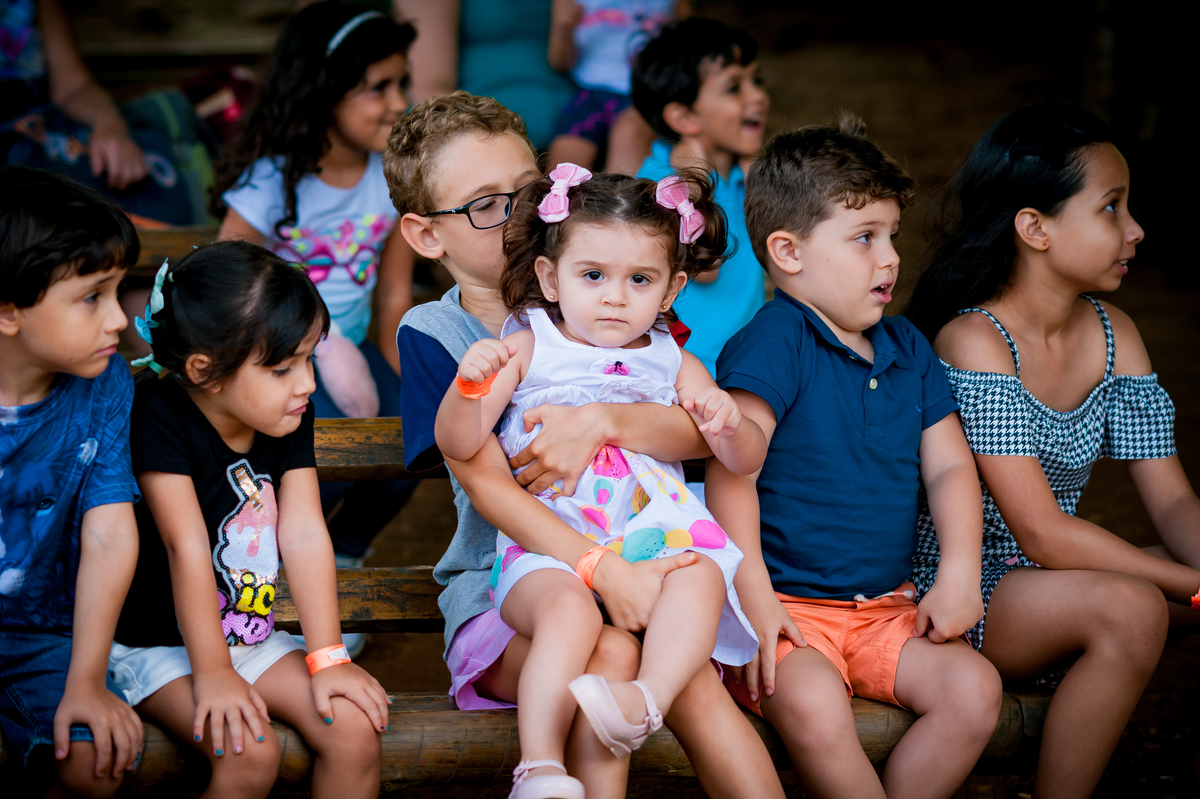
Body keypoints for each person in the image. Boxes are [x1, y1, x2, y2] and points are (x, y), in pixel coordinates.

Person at [387, 91, 785, 799]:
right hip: (517, 584)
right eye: (485, 204)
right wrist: (600, 569)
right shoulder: (443, 335)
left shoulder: (615, 307)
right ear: (426, 235)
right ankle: (544, 775)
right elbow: (482, 478)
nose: (516, 217)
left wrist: (603, 419)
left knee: (680, 678)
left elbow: (696, 425)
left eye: (525, 192)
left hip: (638, 551)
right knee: (609, 650)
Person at [707, 116, 1005, 799]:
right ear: (788, 251)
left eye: (892, 235)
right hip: (787, 611)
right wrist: (753, 599)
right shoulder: (776, 341)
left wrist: (959, 572)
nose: (890, 258)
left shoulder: (908, 348)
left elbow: (950, 466)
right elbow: (733, 471)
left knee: (972, 688)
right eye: (864, 237)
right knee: (814, 703)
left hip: (888, 611)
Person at [904, 103, 1182, 798]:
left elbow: (1174, 498)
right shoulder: (975, 341)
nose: (1135, 229)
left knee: (1165, 574)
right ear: (1035, 228)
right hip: (961, 591)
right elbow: (1041, 530)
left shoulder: (1116, 334)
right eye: (1111, 208)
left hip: (1050, 583)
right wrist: (1197, 587)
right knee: (1138, 604)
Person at [108, 241, 389, 799]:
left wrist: (328, 656)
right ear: (205, 371)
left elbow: (305, 532)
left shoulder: (287, 414)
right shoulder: (159, 414)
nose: (308, 383)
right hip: (159, 647)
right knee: (249, 752)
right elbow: (185, 545)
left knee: (355, 732)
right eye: (284, 367)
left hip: (249, 637)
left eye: (311, 358)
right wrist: (213, 675)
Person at [213, 2, 418, 613]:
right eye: (377, 86)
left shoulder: (391, 177)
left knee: (412, 448)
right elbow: (226, 274)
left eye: (401, 81)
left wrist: (406, 385)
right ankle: (274, 567)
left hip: (356, 348)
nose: (396, 100)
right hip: (279, 355)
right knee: (323, 458)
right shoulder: (274, 179)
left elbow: (392, 292)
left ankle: (344, 553)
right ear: (322, 93)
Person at [0, 166, 142, 798]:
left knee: (94, 762)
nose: (118, 320)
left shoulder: (104, 383)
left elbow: (110, 533)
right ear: (8, 310)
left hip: (40, 637)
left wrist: (86, 680)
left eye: (119, 292)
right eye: (92, 296)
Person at [631, 17, 768, 377]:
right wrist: (695, 178)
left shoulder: (745, 175)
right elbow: (707, 268)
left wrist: (763, 180)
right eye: (734, 88)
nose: (758, 96)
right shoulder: (659, 184)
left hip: (746, 373)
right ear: (684, 116)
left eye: (756, 80)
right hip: (685, 382)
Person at [544, 0, 675, 174]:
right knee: (560, 175)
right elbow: (560, 63)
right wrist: (563, 30)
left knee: (627, 140)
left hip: (642, 94)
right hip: (589, 92)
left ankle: (615, 200)